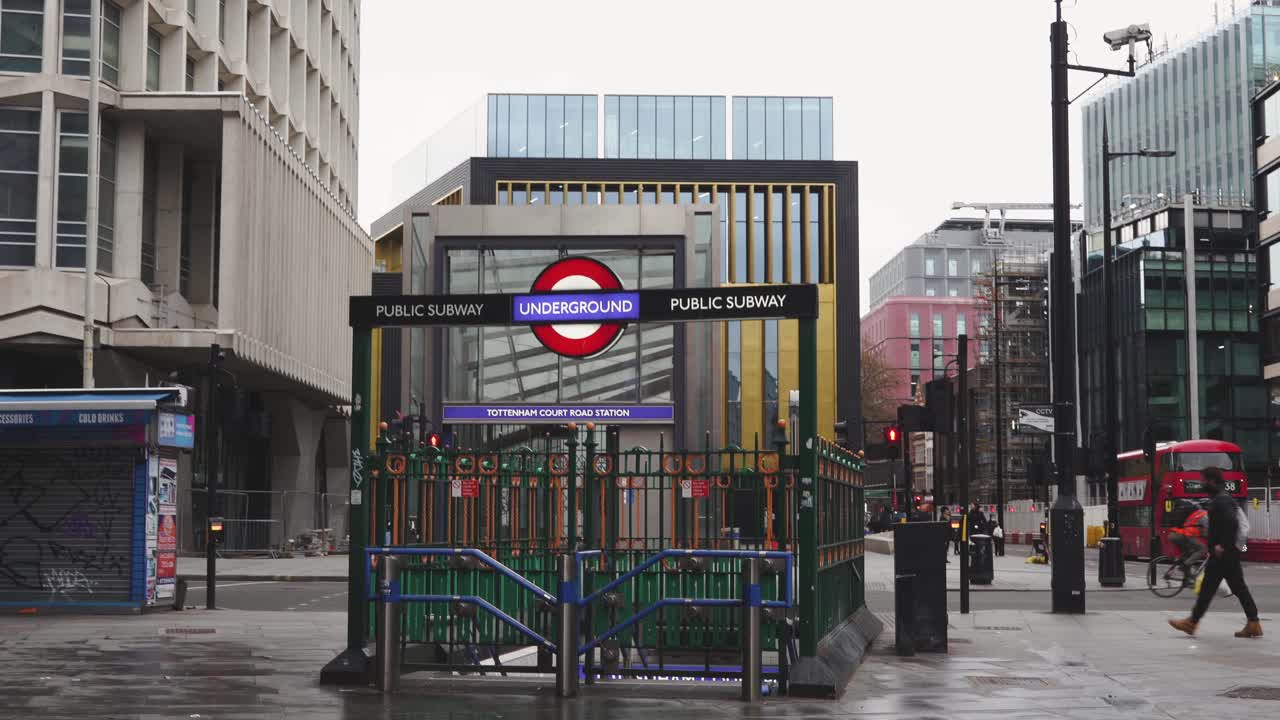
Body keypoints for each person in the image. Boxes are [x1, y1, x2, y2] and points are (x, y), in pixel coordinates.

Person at [1168, 467, 1262, 639]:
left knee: (1212, 588)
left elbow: (1231, 523)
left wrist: (1222, 546)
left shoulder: (1221, 501)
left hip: (1223, 554)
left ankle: (1192, 622)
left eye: (1203, 480)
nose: (1201, 483)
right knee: (1231, 588)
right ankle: (1253, 623)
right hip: (1226, 553)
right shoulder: (1221, 499)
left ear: (1211, 481)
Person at [1168, 499, 1208, 573]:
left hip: (1174, 533)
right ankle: (1185, 565)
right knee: (1202, 549)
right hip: (1188, 534)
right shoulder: (1203, 514)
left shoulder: (1194, 514)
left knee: (1189, 552)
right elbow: (1208, 528)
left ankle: (1181, 565)